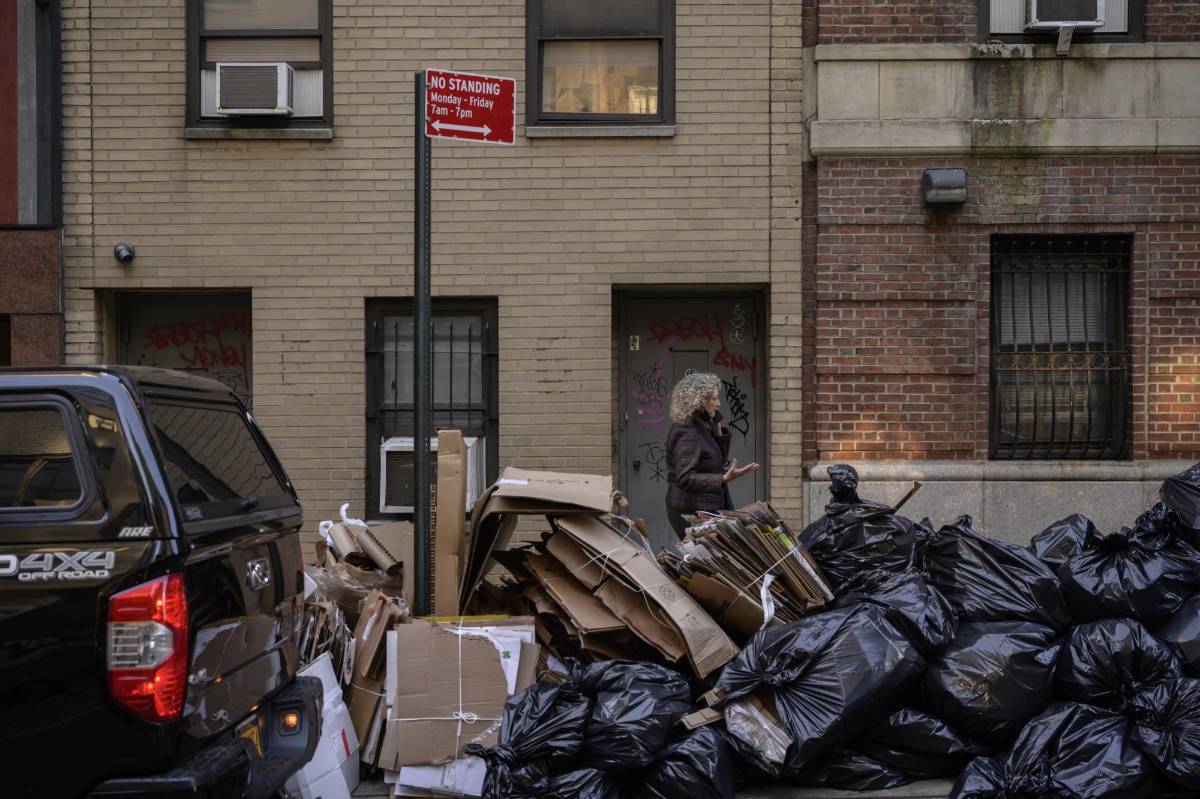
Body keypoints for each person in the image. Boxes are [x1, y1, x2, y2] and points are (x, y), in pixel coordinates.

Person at [664, 372, 759, 540]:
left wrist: (715, 422)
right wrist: (723, 479)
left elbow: (719, 456)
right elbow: (685, 478)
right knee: (706, 559)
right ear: (699, 402)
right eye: (714, 399)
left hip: (703, 505)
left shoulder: (700, 425)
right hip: (690, 510)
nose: (719, 403)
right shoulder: (687, 432)